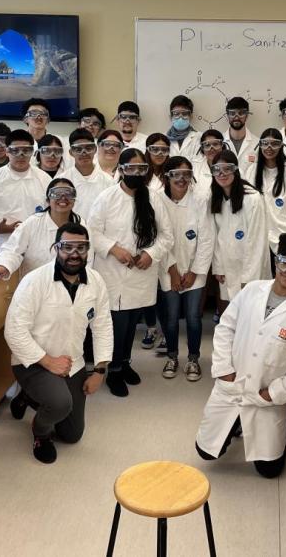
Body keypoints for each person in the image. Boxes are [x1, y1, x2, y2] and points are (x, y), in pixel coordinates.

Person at [195, 233, 286, 479]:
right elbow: (225, 327)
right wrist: (224, 369)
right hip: (232, 385)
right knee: (206, 453)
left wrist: (275, 393)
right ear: (276, 261)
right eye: (284, 262)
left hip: (266, 396)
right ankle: (237, 422)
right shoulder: (252, 290)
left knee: (269, 471)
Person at [3, 222, 113, 464]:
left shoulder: (95, 282)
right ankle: (40, 433)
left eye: (81, 248)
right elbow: (14, 330)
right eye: (67, 247)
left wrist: (99, 371)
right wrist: (48, 361)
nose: (74, 254)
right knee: (60, 404)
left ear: (88, 250)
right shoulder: (35, 281)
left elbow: (103, 326)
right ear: (55, 249)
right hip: (33, 362)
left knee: (72, 435)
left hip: (71, 364)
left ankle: (28, 398)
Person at [86, 148, 173, 396]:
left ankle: (124, 364)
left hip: (142, 273)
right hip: (112, 272)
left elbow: (167, 236)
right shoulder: (106, 197)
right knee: (116, 325)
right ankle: (112, 370)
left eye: (141, 168)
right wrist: (114, 249)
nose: (137, 172)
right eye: (131, 168)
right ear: (121, 170)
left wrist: (150, 254)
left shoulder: (154, 198)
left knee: (133, 322)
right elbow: (92, 232)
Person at [159, 156, 215, 381]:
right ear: (167, 176)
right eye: (176, 174)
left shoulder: (201, 200)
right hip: (167, 269)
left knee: (193, 317)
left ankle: (193, 359)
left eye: (187, 174)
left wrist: (194, 272)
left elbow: (207, 238)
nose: (181, 179)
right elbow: (159, 239)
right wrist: (172, 270)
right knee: (171, 318)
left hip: (195, 270)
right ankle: (172, 356)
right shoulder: (158, 200)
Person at [210, 149, 270, 317]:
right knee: (232, 313)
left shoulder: (252, 198)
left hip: (249, 269)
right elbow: (216, 236)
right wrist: (218, 267)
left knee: (250, 314)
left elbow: (257, 242)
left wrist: (248, 279)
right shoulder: (216, 198)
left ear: (236, 170)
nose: (222, 174)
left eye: (227, 168)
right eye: (217, 169)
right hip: (228, 267)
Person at [0, 178, 81, 279]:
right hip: (35, 286)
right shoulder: (33, 223)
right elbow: (12, 249)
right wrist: (3, 265)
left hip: (70, 286)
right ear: (48, 200)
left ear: (74, 200)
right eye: (56, 194)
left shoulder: (82, 226)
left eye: (68, 193)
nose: (63, 198)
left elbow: (87, 260)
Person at [0, 129, 51, 249]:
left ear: (32, 152)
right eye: (15, 151)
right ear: (7, 151)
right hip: (1, 243)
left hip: (35, 243)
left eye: (26, 151)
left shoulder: (44, 179)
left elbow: (52, 212)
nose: (20, 156)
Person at [251, 128, 286, 258]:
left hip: (285, 240)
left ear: (281, 146)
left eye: (274, 143)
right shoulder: (252, 172)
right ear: (260, 145)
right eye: (265, 143)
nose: (269, 147)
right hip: (259, 239)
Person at [140, 132, 172, 348]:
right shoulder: (140, 174)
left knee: (165, 289)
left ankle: (166, 332)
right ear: (147, 151)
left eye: (164, 150)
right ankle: (151, 328)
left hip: (168, 237)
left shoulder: (174, 173)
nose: (159, 154)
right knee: (148, 287)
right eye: (154, 149)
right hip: (145, 238)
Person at [65, 128, 114, 220]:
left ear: (95, 149)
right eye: (78, 149)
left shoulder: (108, 181)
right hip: (71, 232)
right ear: (71, 152)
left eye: (88, 148)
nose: (84, 153)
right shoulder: (63, 180)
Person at [221, 96, 259, 171]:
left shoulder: (257, 143)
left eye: (241, 113)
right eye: (232, 113)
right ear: (227, 116)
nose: (236, 117)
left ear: (247, 115)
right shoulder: (219, 143)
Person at [191, 129, 226, 196]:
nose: (211, 148)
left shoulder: (231, 166)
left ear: (222, 145)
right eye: (207, 145)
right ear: (202, 149)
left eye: (215, 144)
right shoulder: (194, 168)